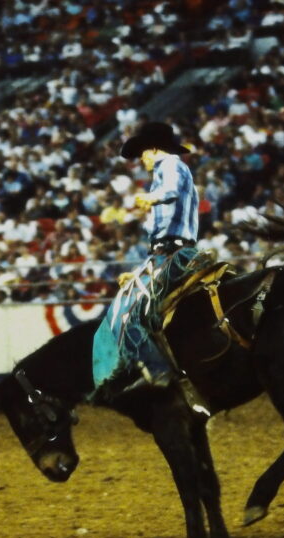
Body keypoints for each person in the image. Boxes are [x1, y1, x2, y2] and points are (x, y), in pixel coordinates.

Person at [91, 121, 208, 413]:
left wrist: (151, 197)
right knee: (131, 305)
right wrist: (141, 269)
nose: (141, 160)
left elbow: (170, 191)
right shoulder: (167, 170)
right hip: (165, 255)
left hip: (174, 255)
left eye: (143, 153)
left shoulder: (170, 164)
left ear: (154, 149)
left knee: (127, 314)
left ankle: (157, 372)